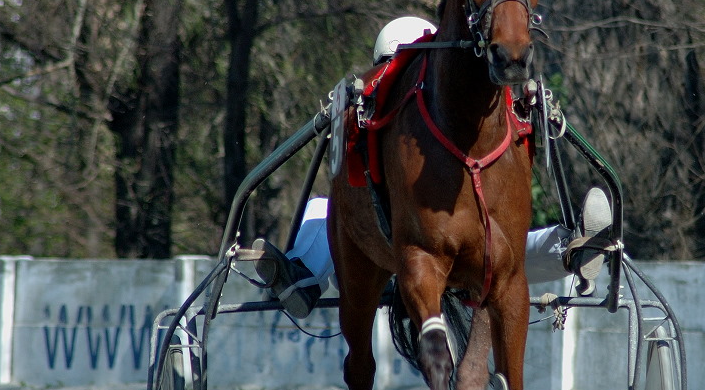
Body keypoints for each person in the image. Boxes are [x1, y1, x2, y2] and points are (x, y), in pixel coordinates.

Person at [253, 17, 612, 319]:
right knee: (500, 244)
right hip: (457, 243)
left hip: (395, 250)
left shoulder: (379, 111)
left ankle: (302, 277)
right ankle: (566, 249)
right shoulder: (459, 113)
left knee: (325, 209)